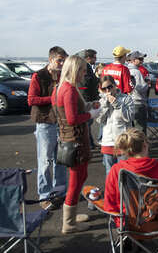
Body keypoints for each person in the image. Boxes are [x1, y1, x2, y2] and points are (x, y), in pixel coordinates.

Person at [51, 55, 101, 234]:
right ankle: (69, 223)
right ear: (74, 70)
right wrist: (91, 115)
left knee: (80, 176)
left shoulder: (59, 88)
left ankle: (71, 217)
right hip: (76, 141)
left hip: (69, 139)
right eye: (82, 71)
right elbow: (72, 119)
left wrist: (87, 106)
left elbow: (66, 111)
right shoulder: (69, 90)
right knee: (75, 181)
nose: (84, 75)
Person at [104, 128, 158, 227]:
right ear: (145, 145)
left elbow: (109, 203)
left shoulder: (117, 170)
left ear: (126, 150)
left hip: (128, 223)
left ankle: (125, 240)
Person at [27, 46, 68, 210]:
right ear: (51, 59)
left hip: (61, 122)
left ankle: (60, 193)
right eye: (59, 60)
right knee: (45, 161)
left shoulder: (62, 76)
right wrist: (52, 99)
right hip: (45, 123)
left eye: (63, 60)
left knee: (61, 160)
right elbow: (31, 100)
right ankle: (44, 195)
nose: (62, 63)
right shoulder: (39, 76)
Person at [97, 75, 135, 175]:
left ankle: (122, 191)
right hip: (107, 141)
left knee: (123, 172)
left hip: (122, 141)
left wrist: (116, 103)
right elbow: (99, 120)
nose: (108, 90)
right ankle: (111, 191)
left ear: (114, 85)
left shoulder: (126, 99)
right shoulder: (102, 101)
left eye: (109, 87)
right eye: (104, 89)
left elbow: (129, 117)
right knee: (109, 173)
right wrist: (105, 104)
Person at [77, 49, 99, 149]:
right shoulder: (85, 67)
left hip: (86, 99)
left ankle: (89, 143)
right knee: (86, 123)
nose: (96, 59)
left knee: (87, 123)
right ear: (88, 58)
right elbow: (85, 85)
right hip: (86, 100)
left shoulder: (86, 67)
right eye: (94, 57)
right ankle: (87, 144)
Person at [127, 51, 149, 134]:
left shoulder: (126, 70)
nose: (142, 61)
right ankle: (140, 146)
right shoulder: (136, 72)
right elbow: (141, 88)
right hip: (138, 102)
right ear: (133, 60)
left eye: (142, 59)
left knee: (131, 129)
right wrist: (147, 84)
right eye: (140, 59)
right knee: (140, 129)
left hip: (128, 101)